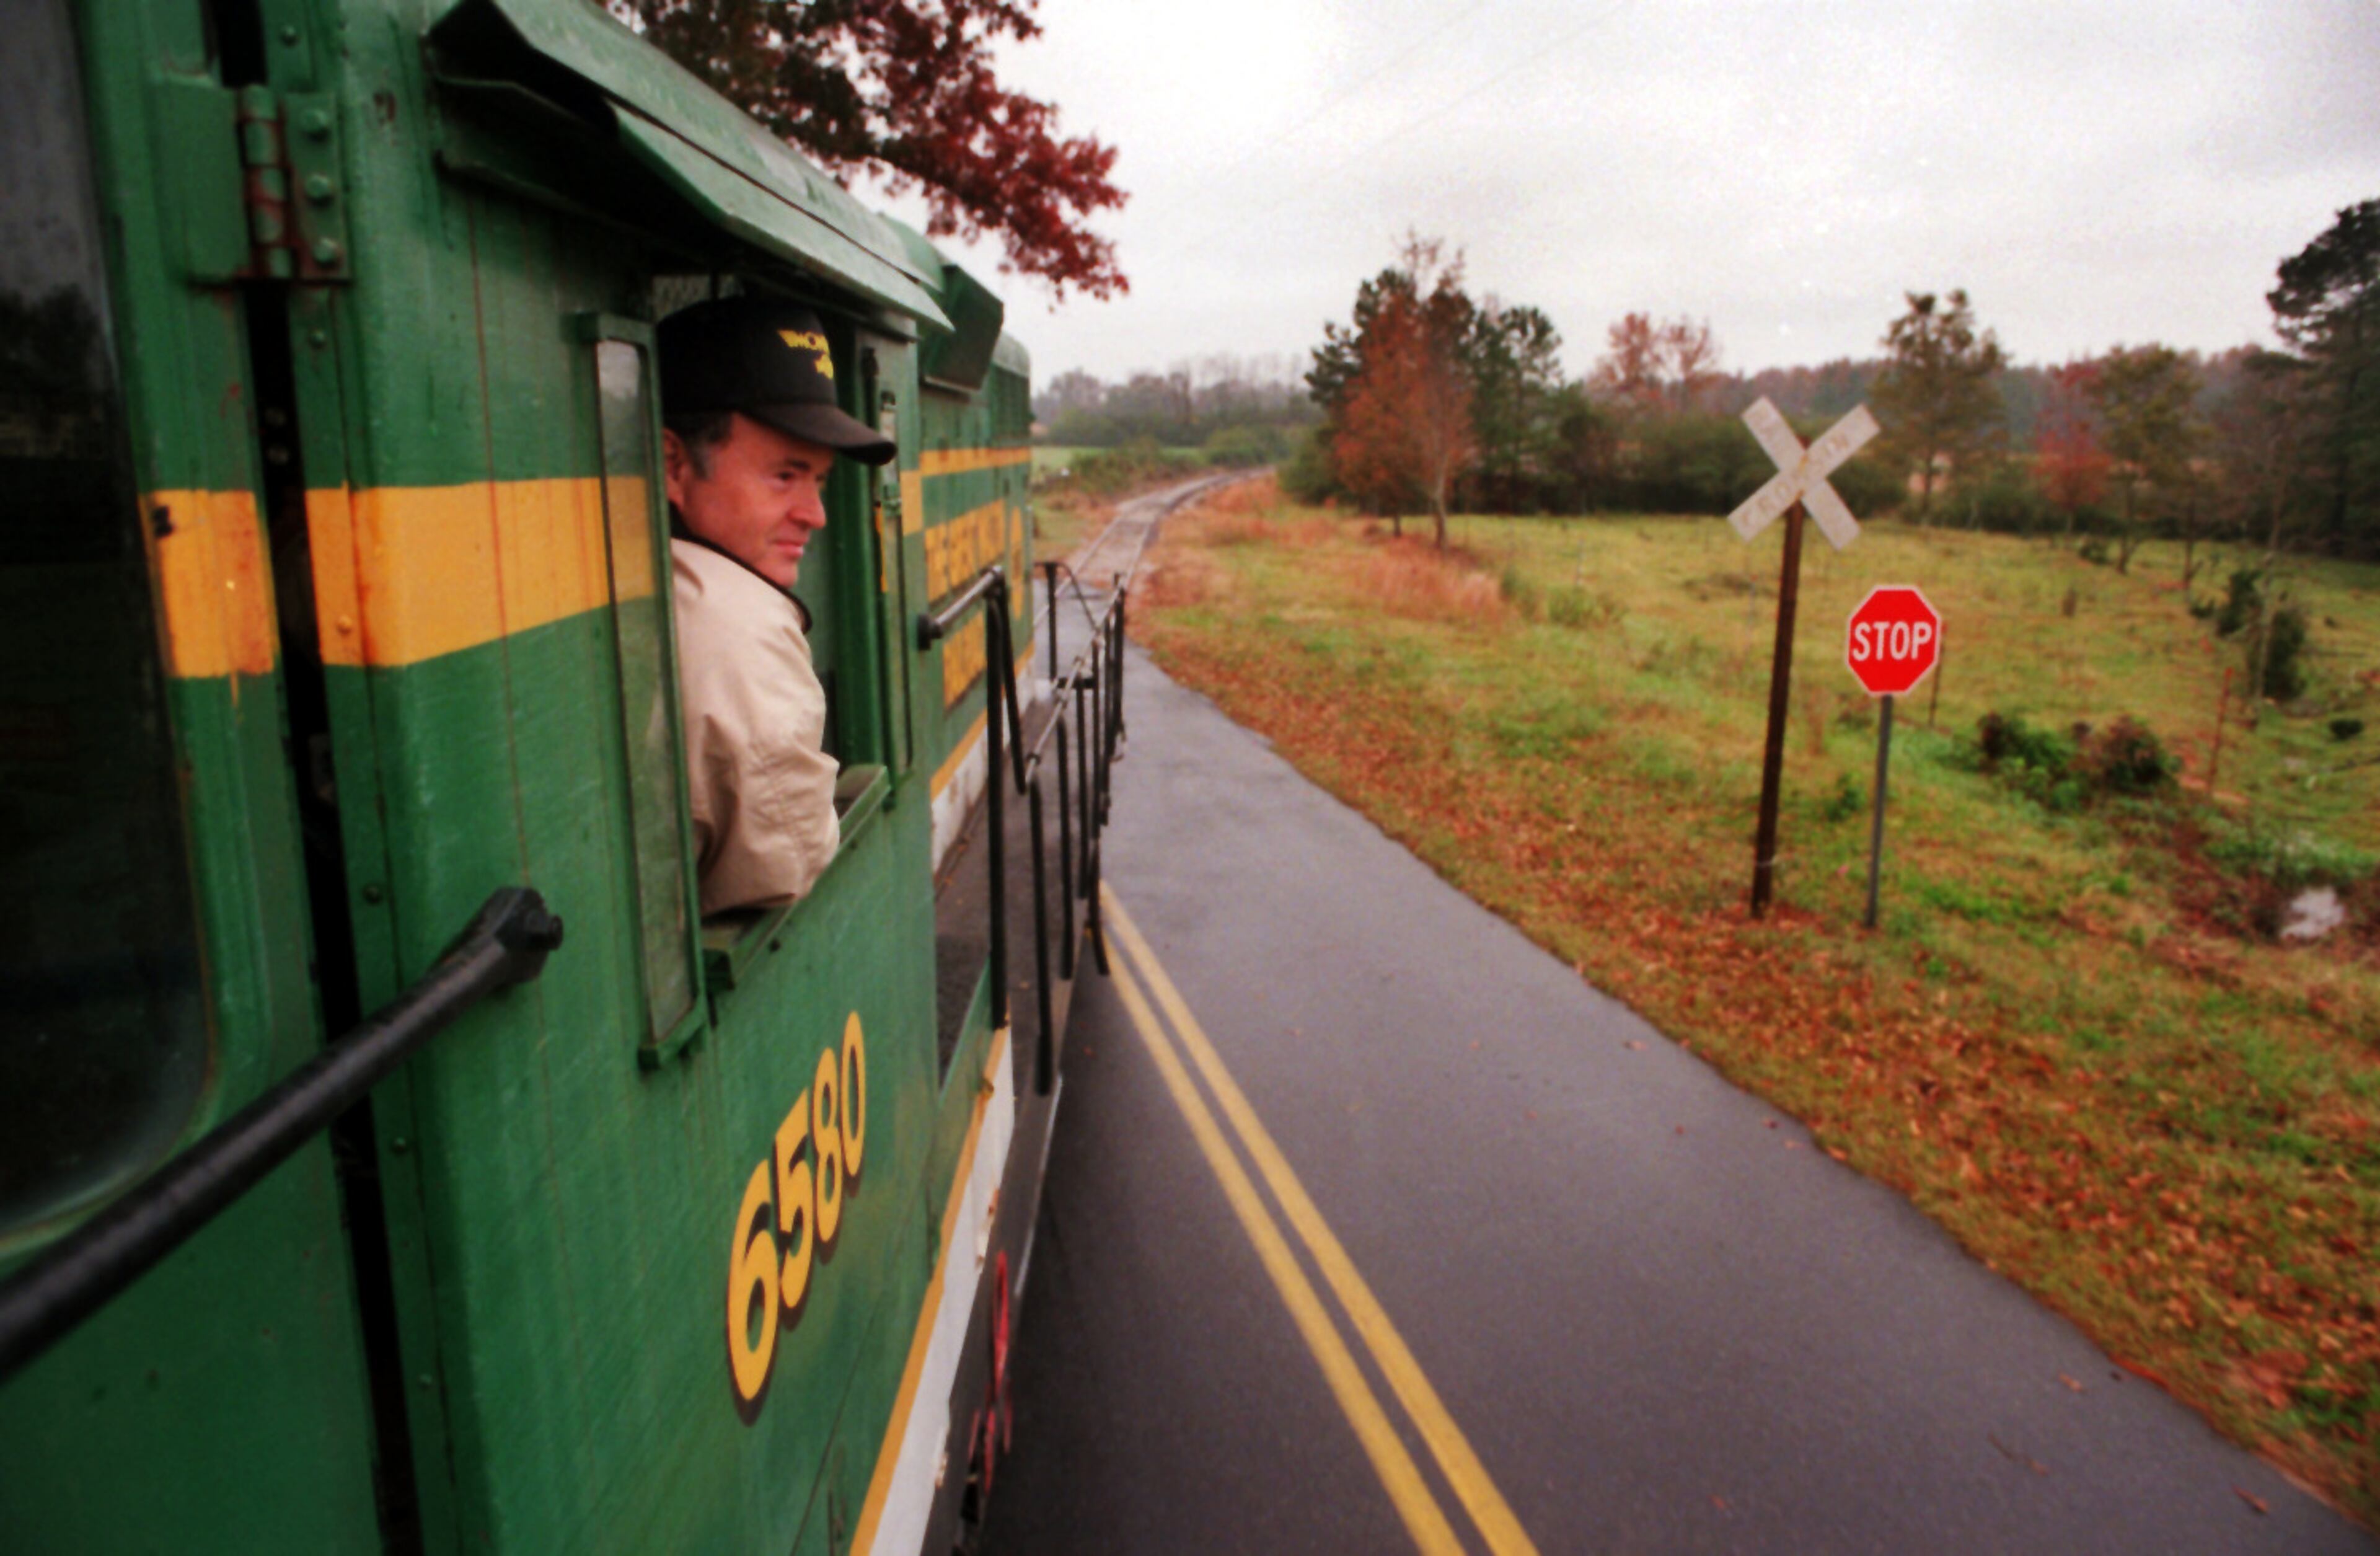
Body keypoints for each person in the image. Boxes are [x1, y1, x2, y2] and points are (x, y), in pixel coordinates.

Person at [658, 297, 896, 916]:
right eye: (784, 476)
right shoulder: (736, 638)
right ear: (673, 464)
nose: (815, 514)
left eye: (818, 481)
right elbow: (788, 864)